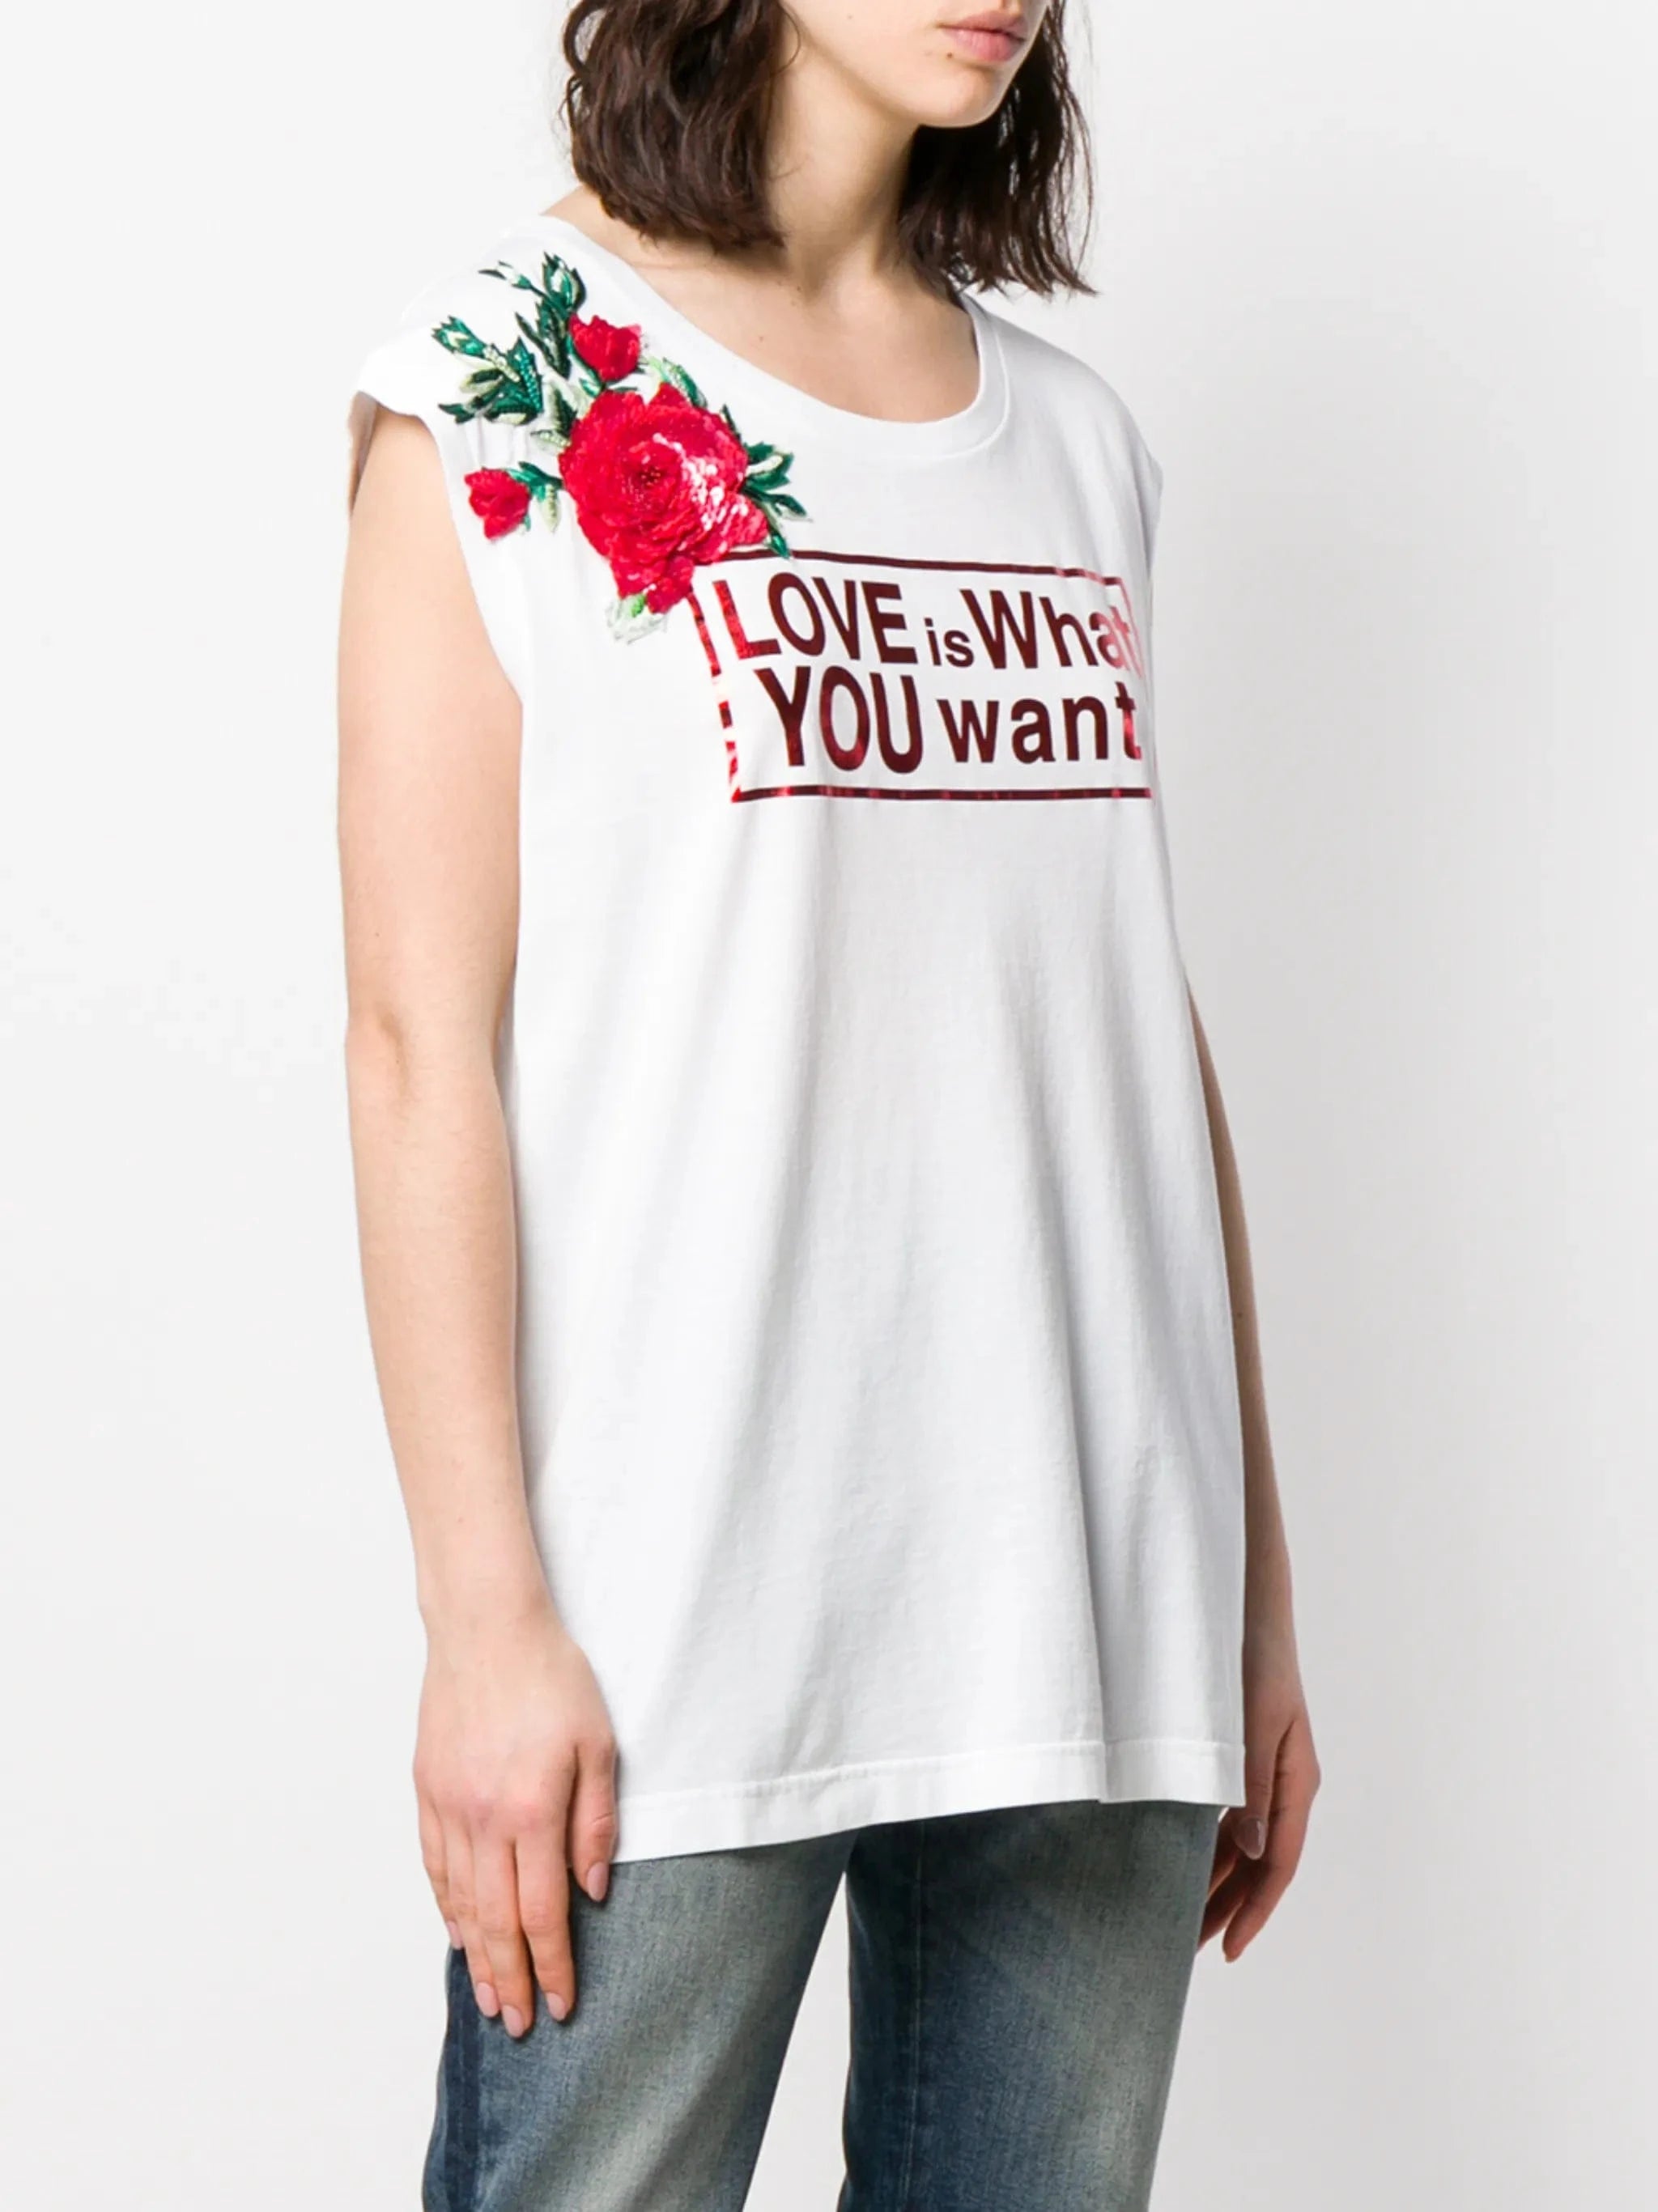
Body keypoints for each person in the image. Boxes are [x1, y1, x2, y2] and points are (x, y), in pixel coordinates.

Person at [338, 2, 1320, 2205]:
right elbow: (414, 1041)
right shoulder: (506, 383)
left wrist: (1251, 1595)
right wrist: (482, 1623)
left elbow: (1127, 1020)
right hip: (673, 1622)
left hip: (1091, 1597)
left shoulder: (1076, 447)